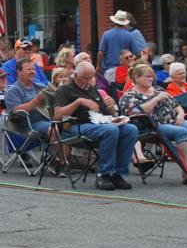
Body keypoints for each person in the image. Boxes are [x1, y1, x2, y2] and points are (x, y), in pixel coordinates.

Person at [53, 62, 140, 191]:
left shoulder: (92, 89)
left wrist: (110, 107)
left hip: (98, 124)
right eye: (85, 78)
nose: (88, 81)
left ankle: (117, 173)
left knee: (130, 129)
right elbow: (58, 116)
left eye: (91, 77)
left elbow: (106, 112)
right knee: (110, 130)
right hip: (74, 126)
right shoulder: (65, 89)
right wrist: (78, 102)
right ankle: (103, 174)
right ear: (75, 75)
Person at [120, 63, 187, 186]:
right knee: (182, 132)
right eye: (147, 76)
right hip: (154, 125)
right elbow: (137, 112)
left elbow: (177, 106)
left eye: (152, 76)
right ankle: (186, 172)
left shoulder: (159, 89)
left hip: (174, 120)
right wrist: (156, 99)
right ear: (137, 77)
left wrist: (180, 115)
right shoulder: (130, 95)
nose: (151, 79)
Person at [5, 58, 53, 140]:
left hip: (48, 120)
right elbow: (16, 112)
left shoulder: (41, 87)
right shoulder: (13, 90)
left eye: (33, 69)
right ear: (19, 72)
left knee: (67, 126)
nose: (32, 72)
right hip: (28, 126)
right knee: (54, 130)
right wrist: (37, 100)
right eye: (28, 69)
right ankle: (56, 152)